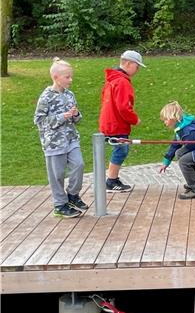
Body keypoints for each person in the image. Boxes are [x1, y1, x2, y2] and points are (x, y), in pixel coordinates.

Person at [34, 58, 88, 218]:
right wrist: (62, 117)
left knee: (79, 165)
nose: (70, 80)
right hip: (53, 143)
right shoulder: (46, 97)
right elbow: (39, 121)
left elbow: (77, 119)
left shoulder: (70, 95)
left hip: (71, 139)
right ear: (56, 77)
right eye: (67, 77)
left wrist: (76, 115)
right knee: (57, 175)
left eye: (71, 76)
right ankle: (60, 204)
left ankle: (73, 195)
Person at [99, 50, 145, 192]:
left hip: (108, 121)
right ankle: (111, 181)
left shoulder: (112, 79)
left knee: (120, 149)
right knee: (121, 149)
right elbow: (124, 107)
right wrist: (135, 119)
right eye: (137, 66)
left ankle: (112, 179)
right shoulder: (122, 82)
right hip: (116, 124)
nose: (137, 70)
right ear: (128, 63)